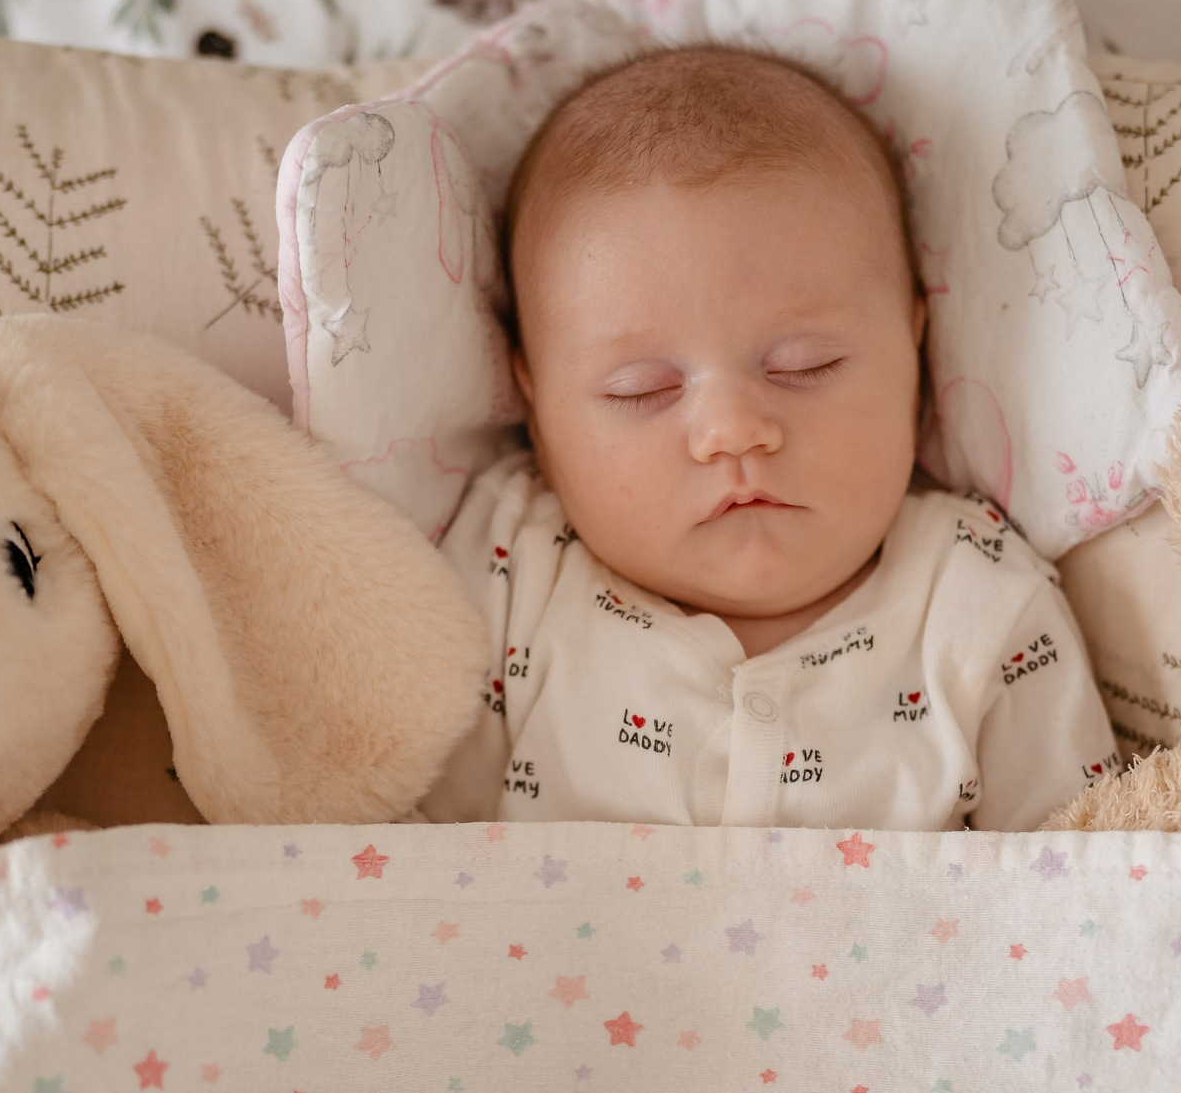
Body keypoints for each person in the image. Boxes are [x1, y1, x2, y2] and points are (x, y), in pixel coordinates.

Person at [420, 45, 1115, 830]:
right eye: (641, 390)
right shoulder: (508, 566)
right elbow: (404, 853)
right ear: (536, 408)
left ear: (915, 354)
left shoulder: (980, 598)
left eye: (804, 366)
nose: (732, 431)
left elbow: (1085, 886)